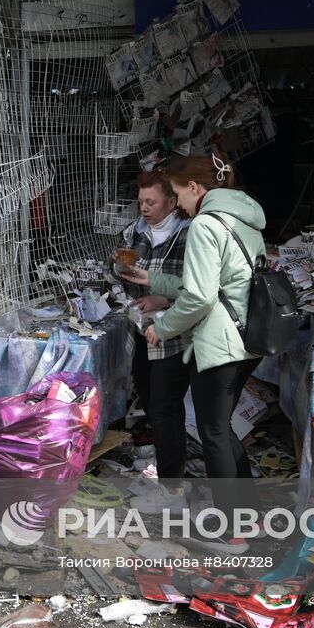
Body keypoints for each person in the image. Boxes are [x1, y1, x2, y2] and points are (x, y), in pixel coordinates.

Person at [121, 151, 267, 487]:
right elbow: (214, 283)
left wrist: (163, 327)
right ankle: (247, 517)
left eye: (180, 194)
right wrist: (154, 280)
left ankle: (232, 530)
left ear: (193, 187)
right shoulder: (242, 218)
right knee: (220, 429)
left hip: (220, 342)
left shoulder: (205, 224)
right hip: (247, 335)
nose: (182, 205)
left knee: (213, 433)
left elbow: (200, 297)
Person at [116, 172, 189, 457]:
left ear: (172, 202)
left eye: (151, 202)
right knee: (149, 400)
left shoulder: (189, 233)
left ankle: (173, 481)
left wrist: (164, 298)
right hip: (140, 329)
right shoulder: (136, 230)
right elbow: (118, 268)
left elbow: (200, 287)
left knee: (164, 407)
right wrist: (118, 268)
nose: (144, 208)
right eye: (140, 202)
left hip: (174, 335)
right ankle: (167, 462)